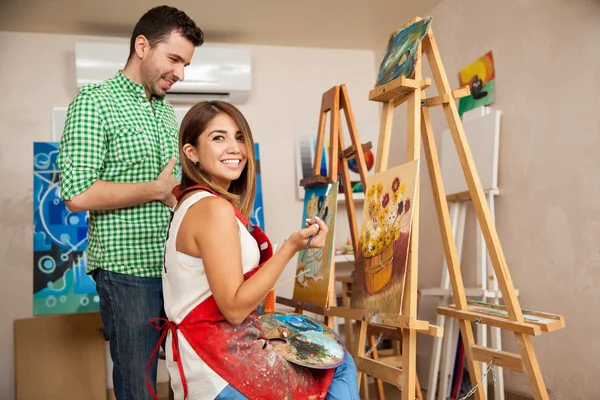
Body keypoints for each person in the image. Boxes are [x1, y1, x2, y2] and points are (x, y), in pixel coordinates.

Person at [149, 100, 359, 400]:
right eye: (218, 137)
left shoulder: (190, 203)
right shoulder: (213, 209)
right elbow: (234, 308)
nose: (234, 148)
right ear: (191, 152)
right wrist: (290, 248)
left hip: (208, 362)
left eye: (238, 137)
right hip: (218, 369)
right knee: (336, 362)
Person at [57, 6, 204, 399]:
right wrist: (154, 190)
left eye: (186, 63)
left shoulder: (166, 113)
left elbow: (170, 187)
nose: (181, 73)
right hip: (127, 273)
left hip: (175, 268)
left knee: (183, 378)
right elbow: (76, 194)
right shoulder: (94, 102)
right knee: (138, 387)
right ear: (142, 46)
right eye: (174, 59)